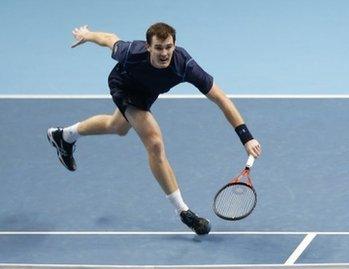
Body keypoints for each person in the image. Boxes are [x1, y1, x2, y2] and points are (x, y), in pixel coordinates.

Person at [46, 23, 262, 235]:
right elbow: (110, 39)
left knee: (117, 127)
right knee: (155, 143)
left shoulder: (185, 65)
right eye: (158, 47)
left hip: (147, 93)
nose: (164, 53)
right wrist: (88, 34)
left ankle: (64, 135)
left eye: (168, 47)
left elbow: (221, 99)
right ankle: (184, 212)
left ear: (175, 45)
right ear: (148, 47)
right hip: (123, 86)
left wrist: (246, 137)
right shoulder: (131, 52)